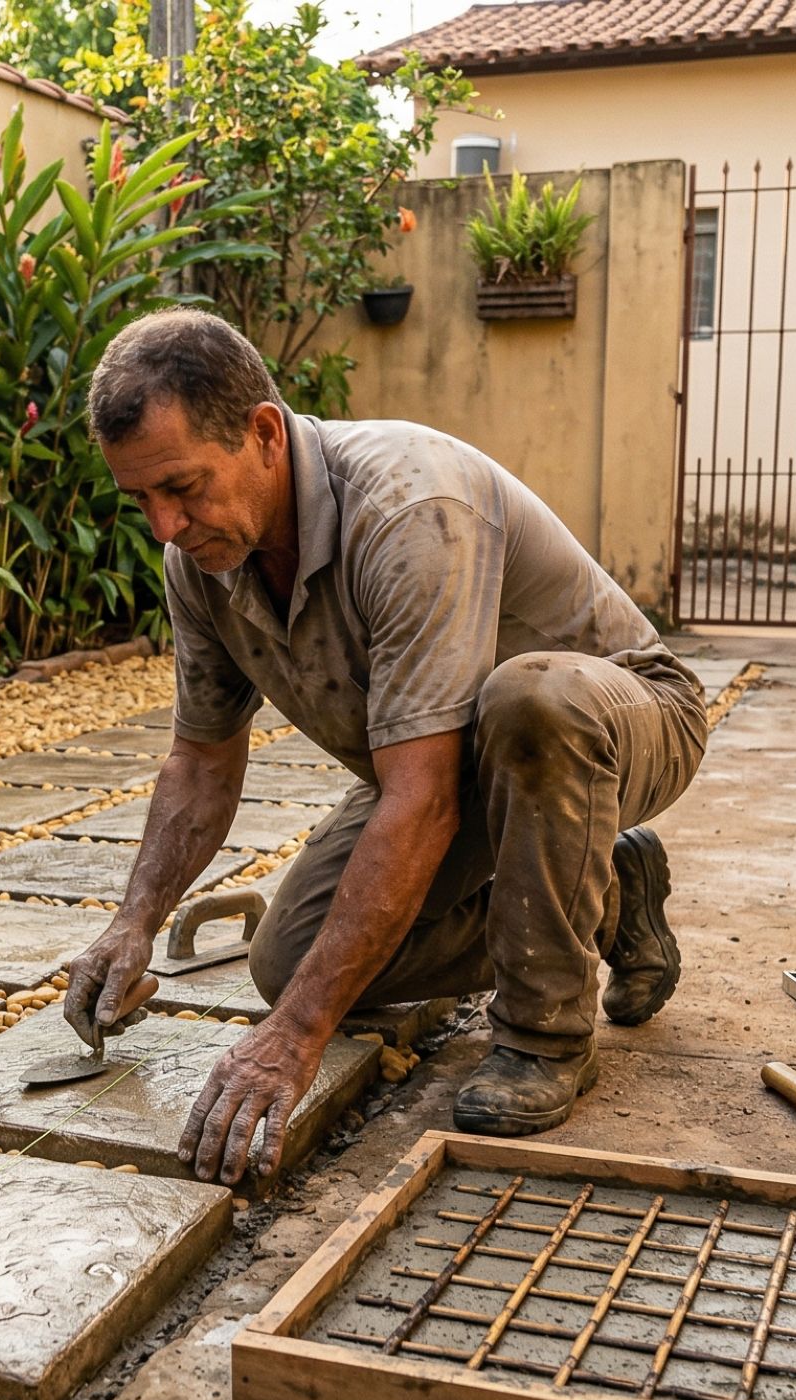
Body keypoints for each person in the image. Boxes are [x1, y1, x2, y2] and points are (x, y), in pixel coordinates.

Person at [59, 309, 710, 1185]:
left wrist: (294, 1039)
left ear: (262, 433)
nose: (163, 527)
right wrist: (131, 922)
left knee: (530, 696)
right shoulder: (204, 563)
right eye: (140, 499)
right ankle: (605, 893)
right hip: (452, 761)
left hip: (619, 722)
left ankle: (545, 1030)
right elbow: (202, 759)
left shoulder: (410, 506)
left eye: (182, 487)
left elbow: (423, 801)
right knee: (288, 961)